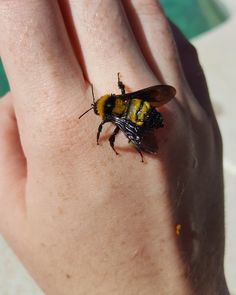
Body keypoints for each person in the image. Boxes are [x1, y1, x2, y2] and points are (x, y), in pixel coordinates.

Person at [0, 1, 229, 294]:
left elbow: (127, 132)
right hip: (144, 106)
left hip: (141, 118)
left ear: (106, 113)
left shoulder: (113, 118)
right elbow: (152, 96)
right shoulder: (120, 101)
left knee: (121, 134)